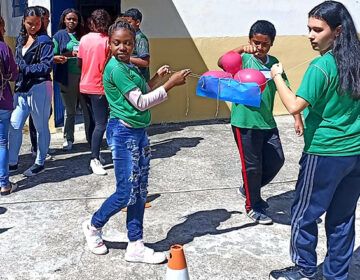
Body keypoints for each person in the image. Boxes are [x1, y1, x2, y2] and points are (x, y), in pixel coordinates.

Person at [82, 21, 190, 262]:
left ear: (134, 44)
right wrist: (171, 84)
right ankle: (93, 226)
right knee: (125, 193)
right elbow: (140, 103)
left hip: (138, 133)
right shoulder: (117, 69)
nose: (123, 47)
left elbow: (140, 91)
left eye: (128, 43)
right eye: (117, 43)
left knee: (140, 191)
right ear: (109, 45)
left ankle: (136, 244)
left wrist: (157, 79)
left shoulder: (128, 66)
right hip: (123, 134)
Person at [269, 1, 360, 279]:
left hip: (325, 153)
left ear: (338, 31)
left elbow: (295, 105)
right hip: (354, 153)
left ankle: (304, 267)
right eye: (309, 28)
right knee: (343, 218)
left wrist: (277, 77)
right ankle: (336, 274)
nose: (310, 35)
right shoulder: (356, 62)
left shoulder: (321, 66)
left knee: (303, 213)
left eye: (317, 30)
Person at [218, 20, 303, 224]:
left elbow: (286, 90)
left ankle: (249, 189)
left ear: (271, 44)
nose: (260, 48)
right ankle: (252, 205)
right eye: (256, 43)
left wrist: (297, 117)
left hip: (267, 122)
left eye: (265, 44)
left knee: (277, 159)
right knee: (252, 166)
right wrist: (240, 49)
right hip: (244, 122)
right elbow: (223, 62)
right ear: (250, 41)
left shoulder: (274, 64)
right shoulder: (244, 59)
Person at [9, 6, 54, 176]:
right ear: (24, 22)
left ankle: (40, 162)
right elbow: (16, 62)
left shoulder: (45, 41)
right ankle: (12, 162)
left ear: (41, 22)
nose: (33, 26)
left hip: (40, 87)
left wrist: (22, 69)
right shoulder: (21, 39)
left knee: (41, 127)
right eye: (30, 23)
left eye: (37, 23)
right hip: (22, 88)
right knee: (15, 125)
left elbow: (45, 66)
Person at [77, 9, 111, 175]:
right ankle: (94, 158)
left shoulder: (84, 39)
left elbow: (79, 63)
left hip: (84, 85)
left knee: (91, 122)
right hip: (99, 87)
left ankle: (94, 153)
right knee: (101, 123)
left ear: (92, 22)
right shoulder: (108, 41)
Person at [53, 8, 91, 150]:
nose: (71, 22)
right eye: (69, 19)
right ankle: (68, 138)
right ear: (64, 20)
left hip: (85, 75)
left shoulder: (84, 35)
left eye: (74, 19)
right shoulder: (59, 36)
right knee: (70, 110)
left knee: (87, 109)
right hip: (67, 76)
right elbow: (53, 56)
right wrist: (69, 53)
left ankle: (91, 137)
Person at [28, 5, 53, 159]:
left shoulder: (42, 37)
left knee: (42, 115)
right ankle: (36, 148)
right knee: (36, 116)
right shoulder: (33, 38)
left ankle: (40, 147)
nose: (48, 21)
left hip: (43, 82)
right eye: (46, 19)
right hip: (35, 82)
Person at [0, 16, 18, 195]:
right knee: (2, 143)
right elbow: (13, 75)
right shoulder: (4, 48)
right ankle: (4, 183)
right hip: (2, 101)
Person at [123, 8, 150, 81]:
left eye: (129, 23)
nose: (126, 26)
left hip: (140, 79)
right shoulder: (130, 37)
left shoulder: (140, 38)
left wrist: (125, 58)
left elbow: (145, 62)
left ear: (137, 22)